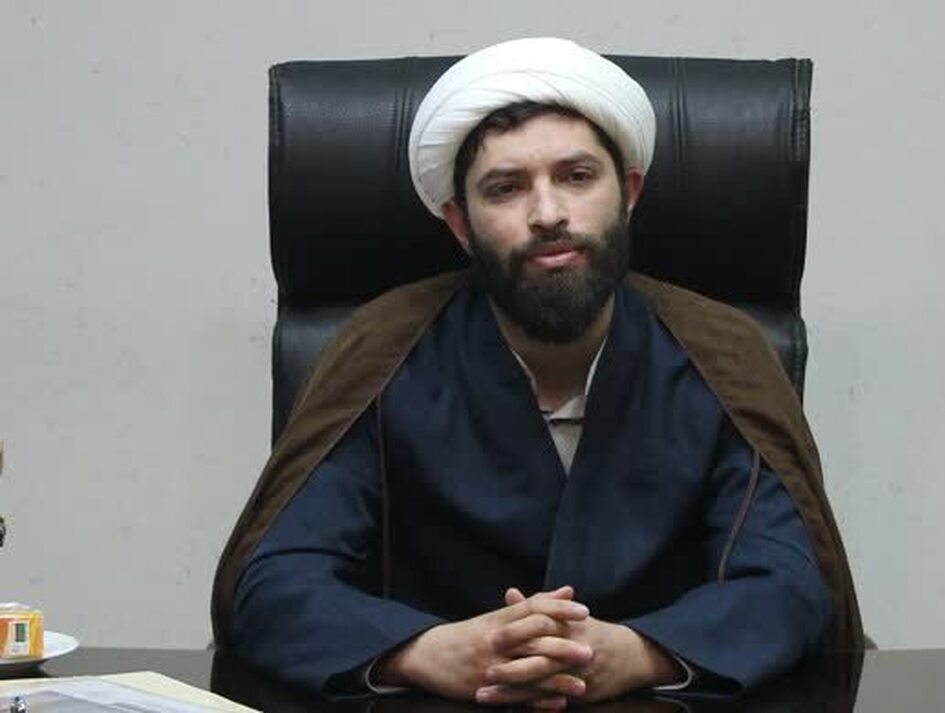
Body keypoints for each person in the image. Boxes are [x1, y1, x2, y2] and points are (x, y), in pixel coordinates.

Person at [212, 37, 862, 707]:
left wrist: (636, 653)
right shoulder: (382, 353)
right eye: (506, 188)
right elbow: (275, 584)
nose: (548, 213)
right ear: (460, 224)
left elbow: (789, 585)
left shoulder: (725, 356)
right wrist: (431, 652)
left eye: (577, 176)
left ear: (628, 193)